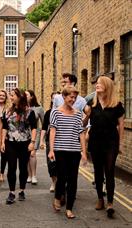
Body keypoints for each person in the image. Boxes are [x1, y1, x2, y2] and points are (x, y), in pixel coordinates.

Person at [84, 76, 124, 218]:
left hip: (111, 141)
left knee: (110, 171)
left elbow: (121, 126)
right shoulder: (91, 103)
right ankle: (100, 198)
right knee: (98, 172)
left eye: (100, 83)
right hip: (95, 140)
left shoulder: (116, 104)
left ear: (107, 86)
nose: (97, 85)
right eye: (96, 83)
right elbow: (83, 124)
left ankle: (110, 203)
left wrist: (120, 144)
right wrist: (87, 116)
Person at [49, 85, 87, 219]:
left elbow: (81, 133)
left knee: (73, 180)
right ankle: (57, 197)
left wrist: (84, 152)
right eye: (71, 97)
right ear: (64, 97)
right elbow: (53, 131)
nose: (73, 99)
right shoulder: (56, 112)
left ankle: (69, 208)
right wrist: (51, 150)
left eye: (75, 97)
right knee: (62, 176)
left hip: (74, 151)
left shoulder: (77, 113)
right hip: (60, 150)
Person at [1, 88, 37, 204]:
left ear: (19, 97)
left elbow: (34, 128)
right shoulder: (7, 112)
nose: (10, 97)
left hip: (25, 143)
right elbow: (4, 128)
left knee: (22, 168)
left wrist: (32, 142)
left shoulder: (29, 112)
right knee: (11, 167)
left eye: (12, 95)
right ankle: (11, 192)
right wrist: (2, 142)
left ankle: (21, 190)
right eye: (10, 95)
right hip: (10, 143)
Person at [40, 92, 60, 192]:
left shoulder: (64, 112)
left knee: (60, 163)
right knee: (51, 163)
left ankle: (61, 183)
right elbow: (44, 128)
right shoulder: (48, 113)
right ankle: (54, 182)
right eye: (53, 98)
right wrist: (41, 141)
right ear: (52, 100)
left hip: (61, 141)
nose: (55, 99)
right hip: (50, 141)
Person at [25, 90, 44, 185]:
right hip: (24, 134)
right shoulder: (23, 107)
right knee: (26, 155)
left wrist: (42, 140)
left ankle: (34, 175)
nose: (25, 96)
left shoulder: (38, 108)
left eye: (27, 94)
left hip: (35, 133)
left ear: (32, 96)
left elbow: (44, 123)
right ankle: (29, 175)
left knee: (32, 154)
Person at [0, 89, 10, 182]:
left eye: (3, 96)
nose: (1, 97)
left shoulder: (8, 108)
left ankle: (2, 173)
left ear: (5, 98)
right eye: (0, 95)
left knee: (4, 154)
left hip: (5, 133)